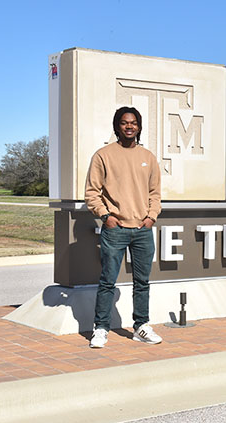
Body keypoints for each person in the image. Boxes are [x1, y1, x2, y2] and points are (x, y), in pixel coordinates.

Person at [84, 106, 163, 348]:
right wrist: (105, 216)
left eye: (134, 123)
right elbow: (91, 193)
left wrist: (151, 217)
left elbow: (155, 193)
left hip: (142, 230)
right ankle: (100, 329)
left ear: (139, 127)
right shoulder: (103, 155)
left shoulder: (148, 157)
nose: (129, 127)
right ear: (117, 126)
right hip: (115, 229)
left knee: (142, 281)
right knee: (108, 281)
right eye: (124, 123)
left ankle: (141, 326)